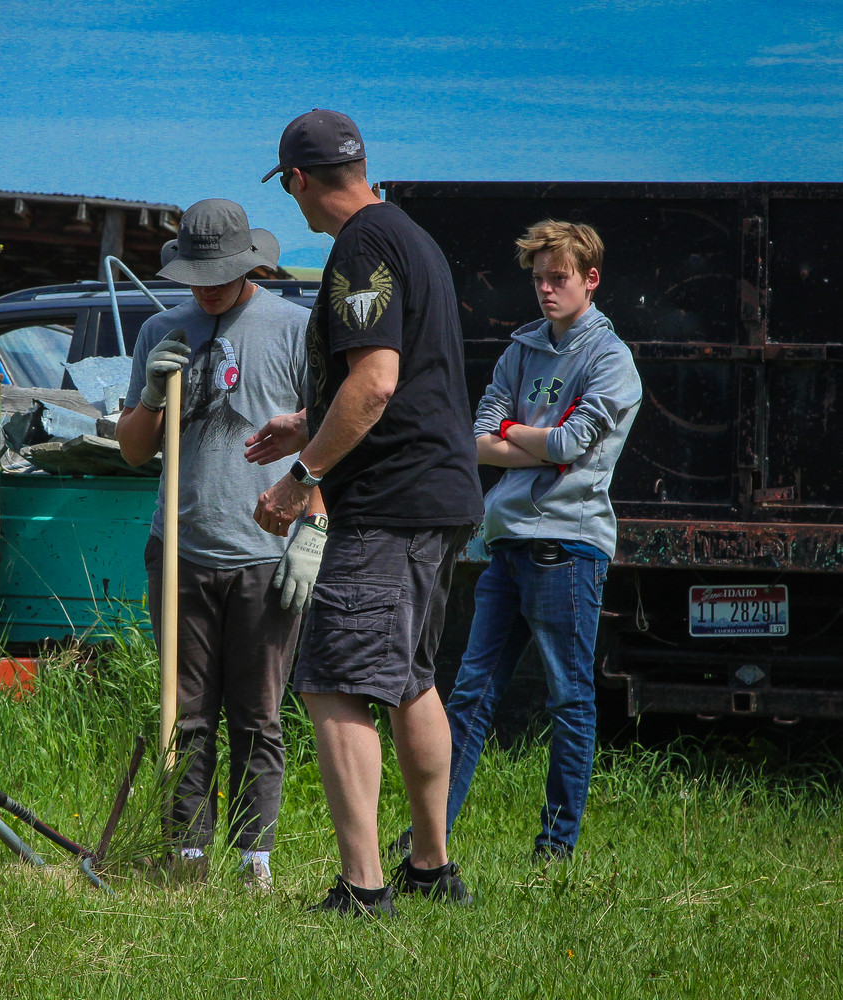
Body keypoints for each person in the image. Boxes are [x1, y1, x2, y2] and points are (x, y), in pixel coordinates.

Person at [252, 109, 483, 917]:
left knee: (335, 682)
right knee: (411, 678)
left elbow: (378, 380)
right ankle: (431, 868)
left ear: (298, 179)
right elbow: (402, 380)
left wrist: (301, 475)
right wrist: (311, 420)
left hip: (389, 502)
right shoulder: (408, 235)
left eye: (289, 188)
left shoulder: (361, 246)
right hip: (438, 493)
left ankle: (363, 887)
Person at [116, 199, 315, 890]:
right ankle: (188, 856)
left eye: (219, 275)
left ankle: (254, 860)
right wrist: (150, 395)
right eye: (195, 276)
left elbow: (327, 442)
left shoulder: (294, 330)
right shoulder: (161, 330)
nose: (205, 288)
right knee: (187, 712)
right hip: (180, 549)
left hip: (264, 552)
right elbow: (134, 451)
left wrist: (312, 528)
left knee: (258, 716)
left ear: (248, 265)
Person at [437, 220, 641, 861]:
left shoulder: (610, 360)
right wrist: (537, 442)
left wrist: (519, 436)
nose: (546, 290)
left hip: (568, 547)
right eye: (538, 279)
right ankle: (429, 841)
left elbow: (572, 444)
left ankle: (555, 849)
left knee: (568, 700)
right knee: (469, 695)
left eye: (559, 278)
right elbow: (477, 440)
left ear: (591, 279)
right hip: (505, 544)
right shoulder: (520, 350)